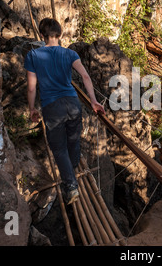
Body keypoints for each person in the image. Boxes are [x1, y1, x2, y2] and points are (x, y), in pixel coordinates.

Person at [24, 18, 105, 205]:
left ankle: (71, 186)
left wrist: (31, 109)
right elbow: (85, 76)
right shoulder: (70, 54)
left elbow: (31, 87)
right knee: (73, 140)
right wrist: (93, 101)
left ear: (41, 35)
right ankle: (73, 168)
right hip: (73, 103)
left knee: (59, 149)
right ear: (60, 35)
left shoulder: (33, 55)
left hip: (52, 107)